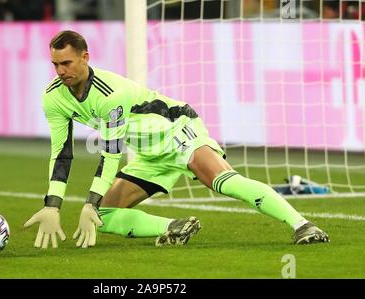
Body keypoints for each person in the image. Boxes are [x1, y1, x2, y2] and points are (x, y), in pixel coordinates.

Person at [23, 30, 330, 249]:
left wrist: (88, 200)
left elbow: (111, 151)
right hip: (148, 154)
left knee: (223, 181)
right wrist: (53, 205)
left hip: (178, 132)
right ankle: (174, 227)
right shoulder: (54, 98)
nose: (60, 71)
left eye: (67, 63)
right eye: (55, 64)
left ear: (85, 57)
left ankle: (303, 225)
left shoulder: (109, 93)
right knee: (104, 214)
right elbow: (62, 154)